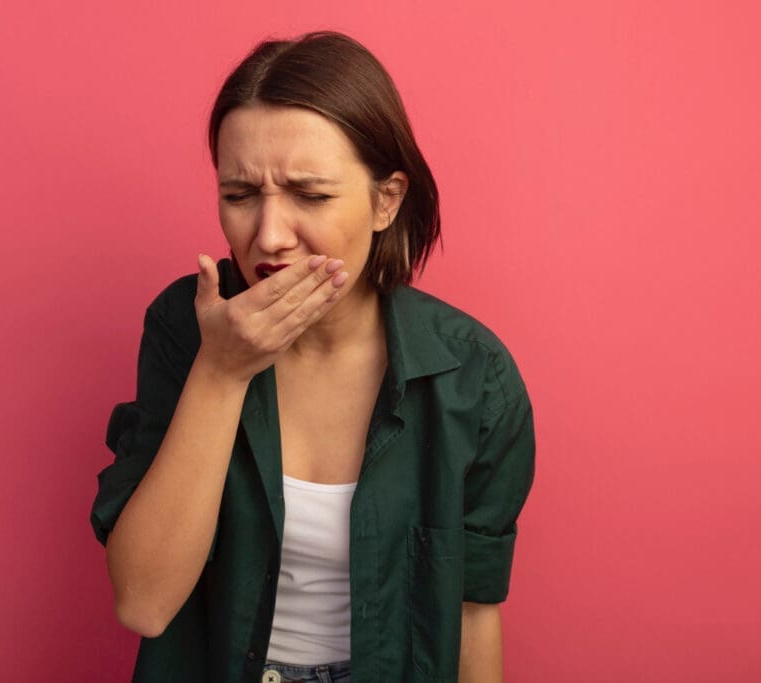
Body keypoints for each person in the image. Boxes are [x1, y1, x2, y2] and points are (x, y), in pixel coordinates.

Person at [91, 31, 535, 683]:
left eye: (311, 195)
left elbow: (471, 613)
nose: (268, 235)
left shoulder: (472, 378)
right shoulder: (183, 331)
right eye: (239, 195)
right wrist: (221, 373)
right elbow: (143, 602)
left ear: (386, 200)